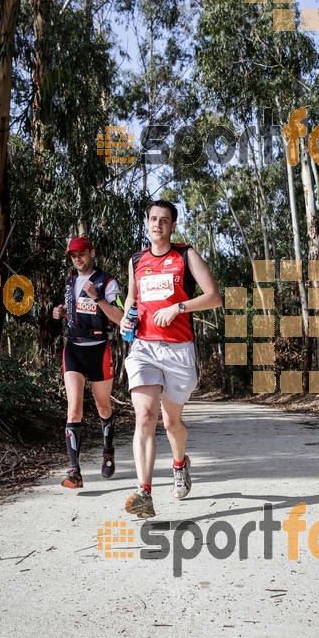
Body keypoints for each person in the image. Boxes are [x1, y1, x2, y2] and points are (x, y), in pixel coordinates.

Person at [120, 200, 222, 518]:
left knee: (171, 422)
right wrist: (125, 317)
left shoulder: (185, 255)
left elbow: (213, 297)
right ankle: (144, 493)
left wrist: (178, 307)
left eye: (165, 220)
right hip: (144, 348)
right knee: (146, 416)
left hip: (178, 349)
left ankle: (179, 464)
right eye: (153, 219)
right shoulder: (137, 260)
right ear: (147, 223)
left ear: (173, 226)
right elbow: (132, 299)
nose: (158, 224)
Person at [53, 236, 124, 488]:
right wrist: (61, 311)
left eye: (81, 254)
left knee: (103, 407)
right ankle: (75, 471)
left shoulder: (107, 282)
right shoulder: (70, 281)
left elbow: (120, 318)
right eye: (73, 256)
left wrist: (98, 298)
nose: (77, 259)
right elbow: (73, 309)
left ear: (91, 253)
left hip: (99, 350)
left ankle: (108, 451)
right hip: (73, 348)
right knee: (74, 409)